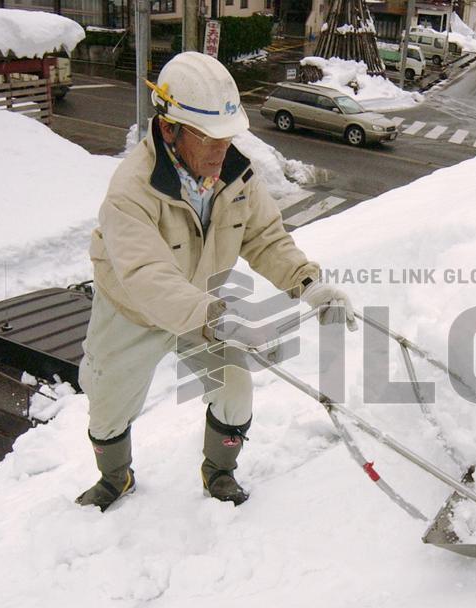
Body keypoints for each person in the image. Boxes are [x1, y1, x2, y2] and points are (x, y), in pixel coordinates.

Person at [75, 52, 356, 511]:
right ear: (170, 129)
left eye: (227, 137)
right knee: (107, 404)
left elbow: (264, 237)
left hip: (204, 308)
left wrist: (308, 283)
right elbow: (147, 275)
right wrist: (212, 317)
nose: (221, 150)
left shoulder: (236, 177)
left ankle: (219, 471)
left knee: (235, 389)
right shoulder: (131, 190)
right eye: (208, 137)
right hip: (132, 311)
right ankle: (114, 477)